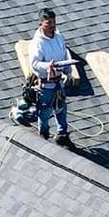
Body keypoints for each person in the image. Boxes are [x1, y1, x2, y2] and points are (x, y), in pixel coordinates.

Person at [28, 8, 73, 146]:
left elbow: (65, 53)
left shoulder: (58, 37)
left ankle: (62, 134)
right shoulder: (38, 43)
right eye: (49, 24)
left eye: (54, 23)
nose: (52, 26)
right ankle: (44, 134)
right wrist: (47, 66)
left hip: (59, 81)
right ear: (40, 24)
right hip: (46, 84)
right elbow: (34, 64)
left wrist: (68, 70)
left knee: (61, 108)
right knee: (45, 110)